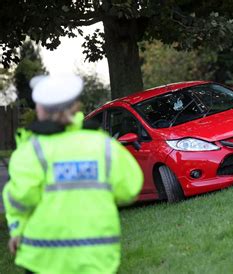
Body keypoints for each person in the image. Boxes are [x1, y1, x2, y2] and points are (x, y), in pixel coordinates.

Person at [3, 75, 144, 273]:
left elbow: (20, 198)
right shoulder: (103, 146)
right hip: (97, 258)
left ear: (40, 109)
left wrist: (17, 230)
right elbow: (129, 189)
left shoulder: (31, 151)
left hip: (42, 259)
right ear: (76, 106)